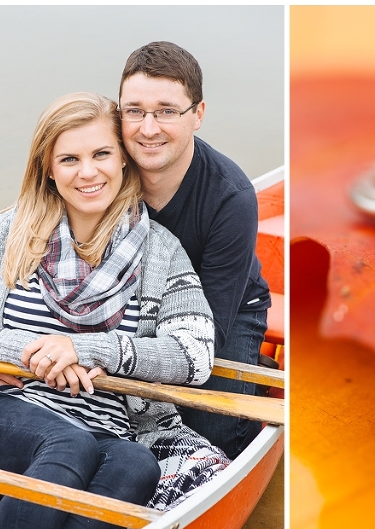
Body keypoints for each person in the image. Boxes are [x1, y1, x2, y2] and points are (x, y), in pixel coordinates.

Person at [0, 92, 217, 529]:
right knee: (68, 444)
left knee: (137, 465)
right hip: (3, 408)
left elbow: (195, 353)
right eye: (69, 159)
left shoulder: (161, 252)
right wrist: (22, 351)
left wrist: (83, 348)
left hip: (108, 425)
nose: (88, 172)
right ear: (48, 169)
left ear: (123, 158)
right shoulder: (5, 232)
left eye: (101, 154)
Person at [117, 41, 272, 459]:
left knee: (208, 433)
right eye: (134, 110)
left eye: (167, 111)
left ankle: (255, 375)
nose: (148, 128)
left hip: (224, 311)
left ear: (197, 114)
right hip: (130, 307)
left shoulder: (231, 197)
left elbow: (209, 332)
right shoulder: (101, 172)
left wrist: (119, 358)